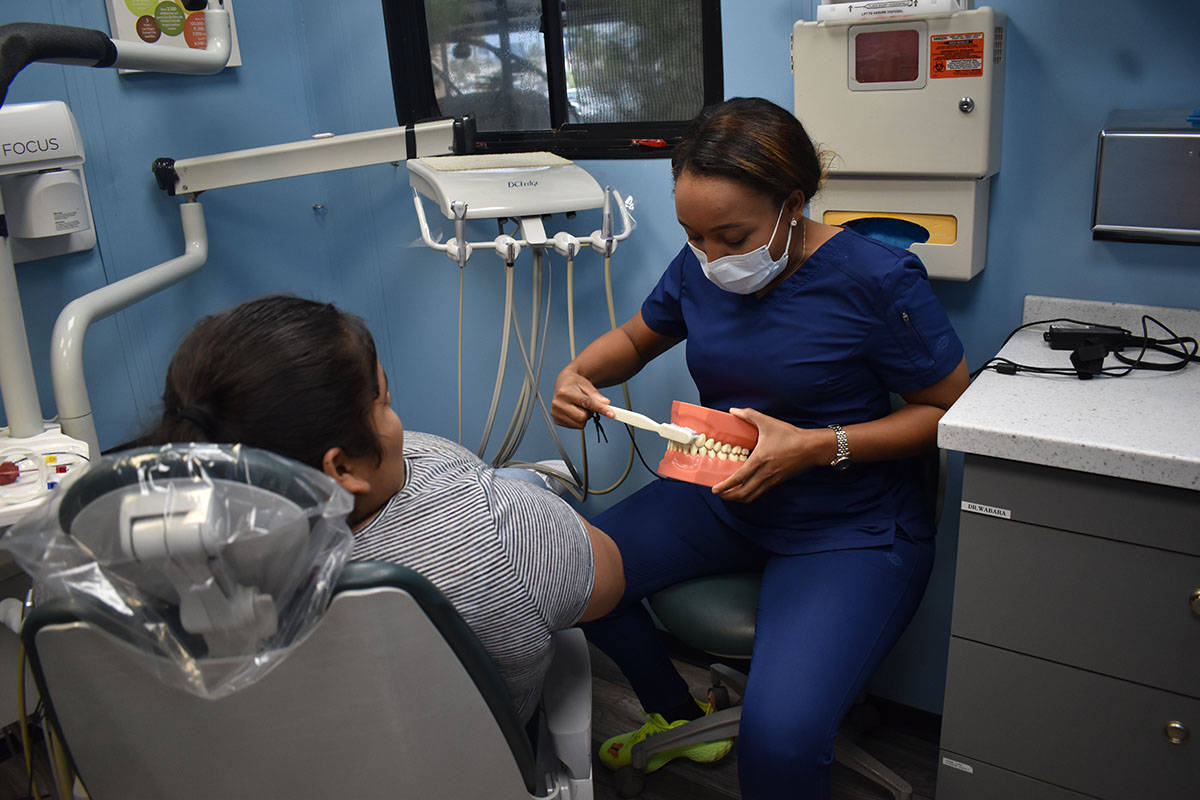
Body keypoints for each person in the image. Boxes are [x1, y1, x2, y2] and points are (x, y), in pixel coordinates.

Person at [551, 97, 969, 799]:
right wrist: (579, 373)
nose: (710, 257)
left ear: (793, 206)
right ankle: (681, 719)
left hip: (850, 526)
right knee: (567, 570)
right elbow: (633, 339)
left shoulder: (876, 280)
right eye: (694, 236)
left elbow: (949, 409)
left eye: (731, 235)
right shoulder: (698, 268)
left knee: (779, 745)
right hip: (725, 493)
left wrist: (817, 447)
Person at [136, 294, 624, 723]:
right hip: (462, 768)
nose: (398, 422)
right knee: (527, 485)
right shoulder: (489, 526)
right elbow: (609, 579)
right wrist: (528, 510)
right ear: (342, 469)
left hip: (299, 766)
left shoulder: (155, 559)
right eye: (384, 402)